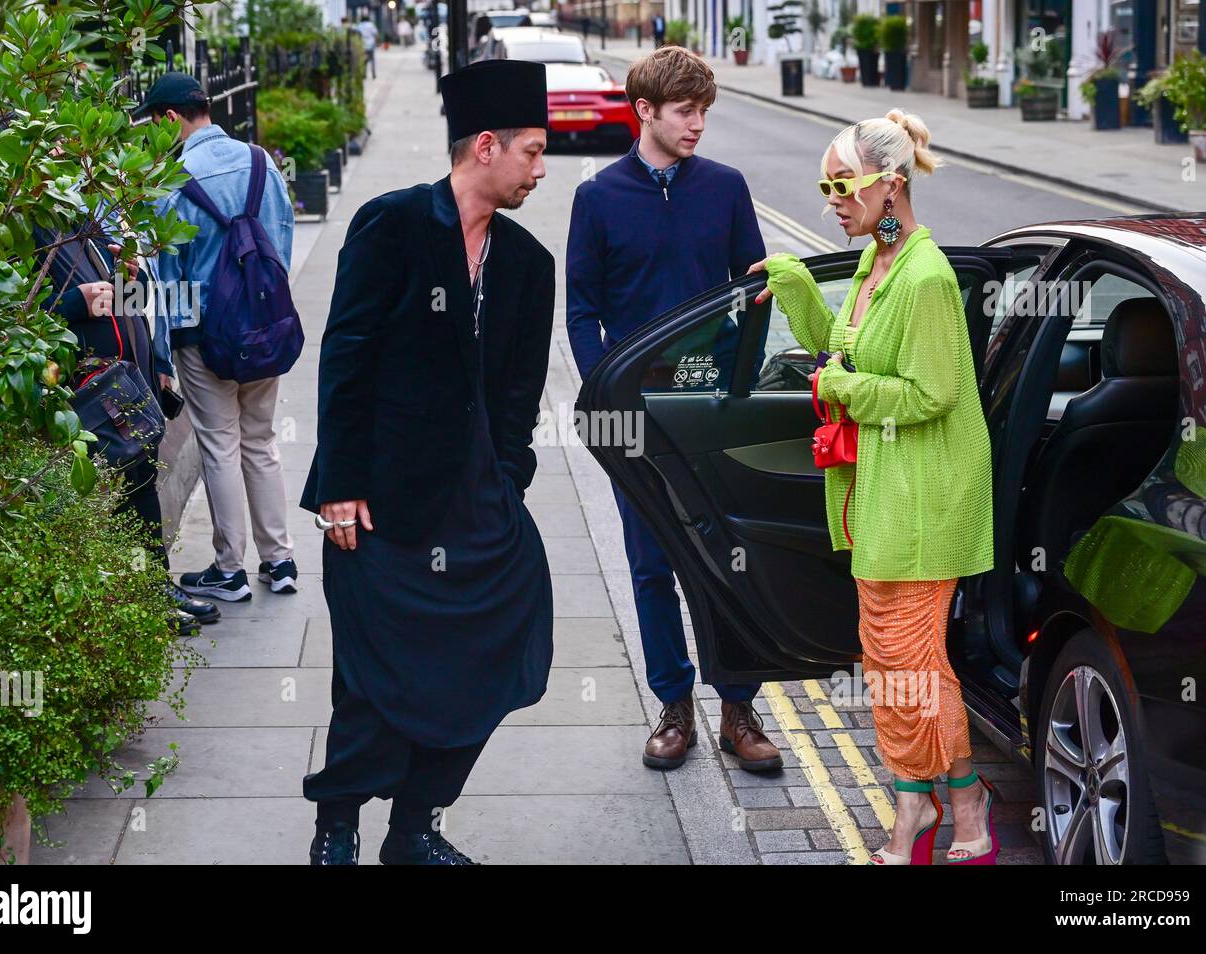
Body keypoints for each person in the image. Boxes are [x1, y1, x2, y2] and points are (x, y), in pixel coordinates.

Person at [299, 58, 555, 866]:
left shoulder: (529, 265)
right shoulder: (395, 225)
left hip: (481, 509)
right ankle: (336, 824)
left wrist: (509, 481)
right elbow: (345, 358)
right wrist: (338, 484)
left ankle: (414, 825)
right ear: (487, 146)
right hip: (381, 502)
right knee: (372, 682)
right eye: (534, 153)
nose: (542, 170)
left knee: (503, 659)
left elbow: (519, 396)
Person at [750, 109, 997, 865]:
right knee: (890, 659)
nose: (833, 200)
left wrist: (844, 390)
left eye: (842, 186)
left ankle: (954, 810)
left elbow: (932, 393)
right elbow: (846, 346)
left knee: (913, 661)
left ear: (890, 187)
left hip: (927, 494)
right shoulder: (873, 262)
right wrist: (797, 284)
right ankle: (936, 804)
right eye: (825, 187)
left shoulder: (925, 277)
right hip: (885, 487)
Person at [566, 47, 782, 775]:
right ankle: (674, 706)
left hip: (711, 410)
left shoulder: (725, 188)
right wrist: (606, 392)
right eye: (686, 111)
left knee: (731, 559)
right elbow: (581, 309)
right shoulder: (597, 198)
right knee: (652, 565)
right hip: (636, 414)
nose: (697, 124)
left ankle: (739, 708)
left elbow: (755, 292)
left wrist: (740, 387)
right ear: (645, 112)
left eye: (704, 112)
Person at [140, 73, 299, 603]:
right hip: (263, 328)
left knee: (220, 445)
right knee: (261, 439)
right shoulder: (260, 161)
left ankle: (230, 570)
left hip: (203, 334)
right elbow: (280, 241)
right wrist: (262, 310)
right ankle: (279, 561)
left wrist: (165, 349)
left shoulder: (172, 181)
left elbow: (168, 275)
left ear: (169, 119)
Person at [32, 220, 221, 636]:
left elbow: (136, 300)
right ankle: (138, 599)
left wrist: (158, 361)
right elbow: (8, 317)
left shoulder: (83, 215)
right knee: (115, 495)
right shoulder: (28, 219)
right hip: (87, 393)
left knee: (140, 486)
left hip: (130, 381)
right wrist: (73, 305)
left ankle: (154, 588)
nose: (62, 150)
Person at [356, 12, 377, 78]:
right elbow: (375, 33)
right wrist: (377, 41)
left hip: (362, 44)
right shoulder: (371, 25)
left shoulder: (359, 25)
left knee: (363, 60)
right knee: (372, 59)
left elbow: (357, 35)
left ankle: (364, 73)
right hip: (371, 44)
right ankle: (373, 72)